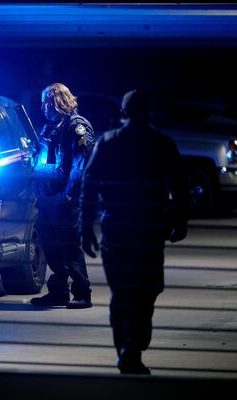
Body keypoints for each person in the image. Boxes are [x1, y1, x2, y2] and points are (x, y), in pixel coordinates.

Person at [78, 89, 189, 374]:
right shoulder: (161, 143)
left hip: (116, 228)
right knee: (145, 292)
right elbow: (179, 186)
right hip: (149, 230)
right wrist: (180, 221)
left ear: (124, 113)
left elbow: (89, 186)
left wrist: (85, 228)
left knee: (121, 292)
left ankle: (124, 348)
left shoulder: (108, 143)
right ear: (149, 112)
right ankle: (132, 347)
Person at [30, 83, 95, 309]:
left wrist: (68, 195)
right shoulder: (49, 127)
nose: (42, 106)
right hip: (47, 198)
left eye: (46, 101)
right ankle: (58, 292)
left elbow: (81, 165)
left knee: (69, 247)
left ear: (58, 100)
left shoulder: (76, 127)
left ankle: (82, 293)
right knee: (51, 247)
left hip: (64, 200)